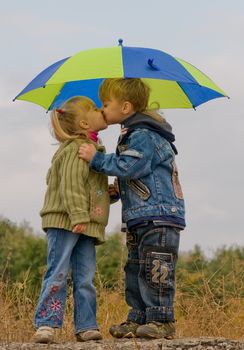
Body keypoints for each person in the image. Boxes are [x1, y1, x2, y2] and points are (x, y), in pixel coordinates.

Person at [79, 78, 186, 340]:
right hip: (140, 216)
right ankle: (138, 317)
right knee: (135, 267)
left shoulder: (144, 135)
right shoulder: (131, 133)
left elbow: (131, 165)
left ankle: (161, 319)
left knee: (156, 267)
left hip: (159, 215)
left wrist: (98, 159)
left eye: (106, 104)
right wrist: (118, 189)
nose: (102, 110)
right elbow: (136, 174)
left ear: (125, 107)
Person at [32, 96, 110, 344]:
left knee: (85, 277)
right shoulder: (78, 148)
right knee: (58, 272)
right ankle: (46, 324)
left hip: (84, 223)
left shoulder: (92, 150)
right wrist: (78, 215)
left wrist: (109, 195)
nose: (102, 112)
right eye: (97, 109)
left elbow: (89, 189)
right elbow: (71, 186)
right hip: (66, 221)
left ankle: (86, 326)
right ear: (86, 123)